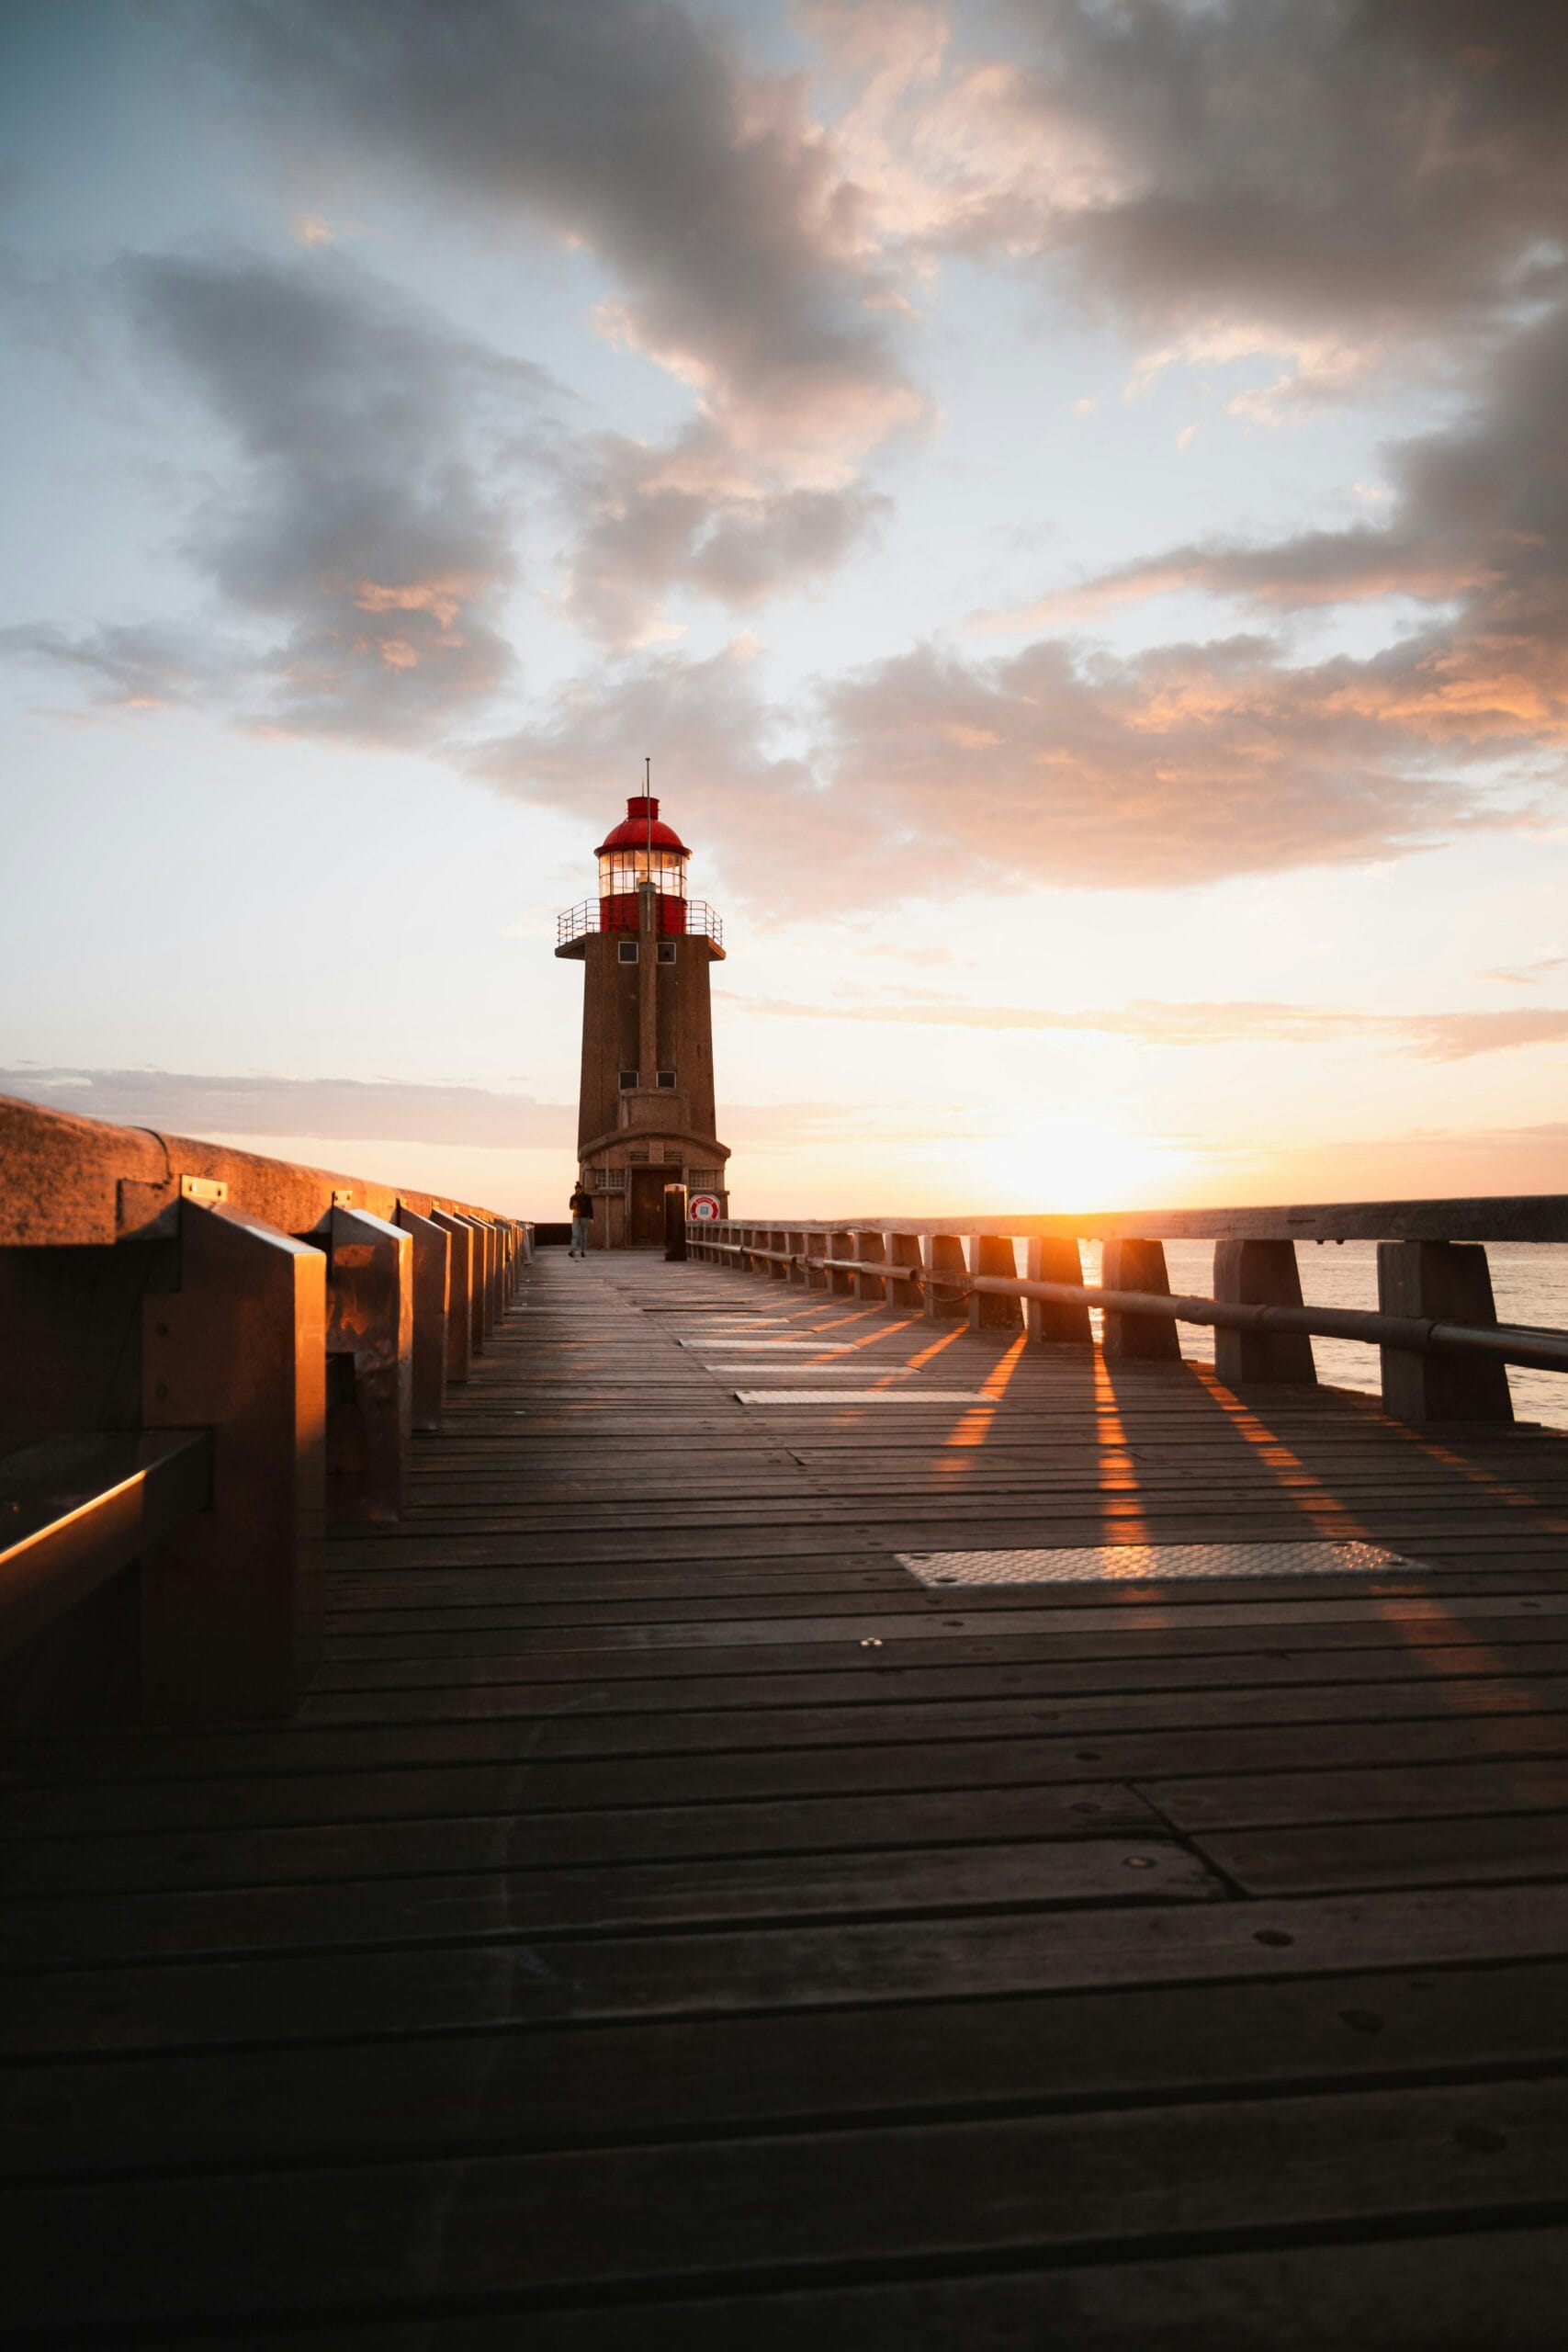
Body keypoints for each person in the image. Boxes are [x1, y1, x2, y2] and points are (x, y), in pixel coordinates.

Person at [568, 1179, 593, 1258]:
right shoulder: (573, 1197)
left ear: (581, 1189)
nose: (577, 1192)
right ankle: (573, 1250)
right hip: (576, 1217)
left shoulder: (587, 1197)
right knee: (574, 1234)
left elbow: (590, 1208)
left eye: (578, 1190)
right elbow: (570, 1207)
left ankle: (583, 1251)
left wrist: (591, 1218)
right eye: (576, 1190)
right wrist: (574, 1206)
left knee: (584, 1235)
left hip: (585, 1217)